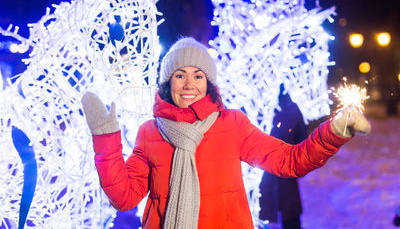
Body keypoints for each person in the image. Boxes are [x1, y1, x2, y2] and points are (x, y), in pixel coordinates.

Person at [81, 37, 371, 229]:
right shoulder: (151, 132)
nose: (188, 84)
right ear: (167, 83)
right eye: (179, 75)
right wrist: (106, 139)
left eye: (198, 76)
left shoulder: (232, 124)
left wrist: (334, 132)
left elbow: (290, 161)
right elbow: (124, 198)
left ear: (210, 84)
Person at [258, 84, 307, 229]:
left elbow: (301, 140)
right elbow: (302, 140)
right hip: (271, 173)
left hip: (277, 173)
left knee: (271, 215)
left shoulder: (290, 108)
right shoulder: (293, 108)